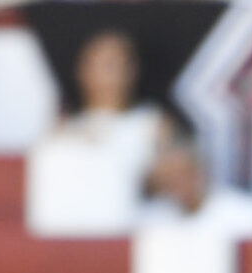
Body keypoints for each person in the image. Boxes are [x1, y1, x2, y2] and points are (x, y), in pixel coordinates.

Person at [24, 28, 163, 236]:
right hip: (72, 236)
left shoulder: (154, 125)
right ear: (82, 70)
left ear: (133, 70)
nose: (112, 74)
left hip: (133, 235)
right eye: (102, 64)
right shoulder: (63, 130)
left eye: (118, 64)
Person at [142, 118, 252, 237]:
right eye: (168, 181)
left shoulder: (243, 213)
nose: (176, 186)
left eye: (180, 176)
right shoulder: (156, 218)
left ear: (200, 172)